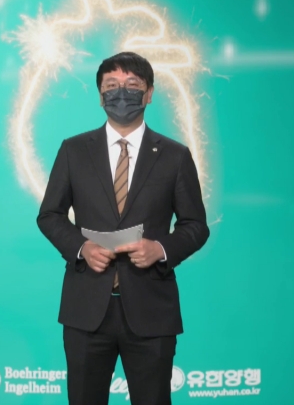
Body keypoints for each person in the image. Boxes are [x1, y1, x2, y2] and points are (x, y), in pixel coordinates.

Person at [37, 51, 210, 405]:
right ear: (100, 95)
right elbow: (49, 215)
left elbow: (195, 226)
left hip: (151, 310)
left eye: (132, 85)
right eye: (111, 85)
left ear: (149, 93)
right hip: (86, 309)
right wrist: (81, 248)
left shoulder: (175, 156)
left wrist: (160, 249)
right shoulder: (73, 150)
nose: (121, 93)